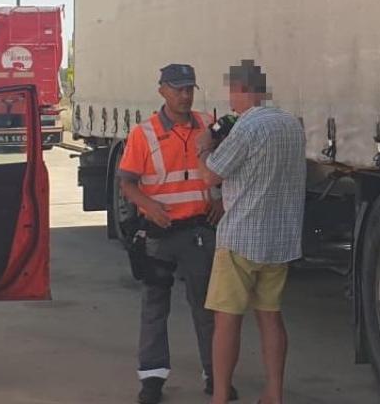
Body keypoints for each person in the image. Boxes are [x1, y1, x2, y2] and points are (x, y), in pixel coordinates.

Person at [118, 63, 233, 404]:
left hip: (199, 232)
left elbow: (231, 170)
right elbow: (127, 182)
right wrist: (149, 207)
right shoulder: (145, 133)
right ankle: (152, 380)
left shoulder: (207, 127)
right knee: (155, 307)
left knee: (207, 307)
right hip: (159, 235)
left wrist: (222, 201)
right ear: (162, 91)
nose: (184, 96)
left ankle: (216, 375)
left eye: (189, 89)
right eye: (178, 89)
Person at [197, 60, 306, 404]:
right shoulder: (291, 125)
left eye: (232, 92)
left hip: (241, 239)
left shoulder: (246, 128)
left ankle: (219, 397)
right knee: (270, 316)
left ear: (243, 89)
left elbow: (212, 175)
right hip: (280, 238)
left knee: (226, 320)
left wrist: (203, 147)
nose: (230, 101)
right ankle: (274, 393)